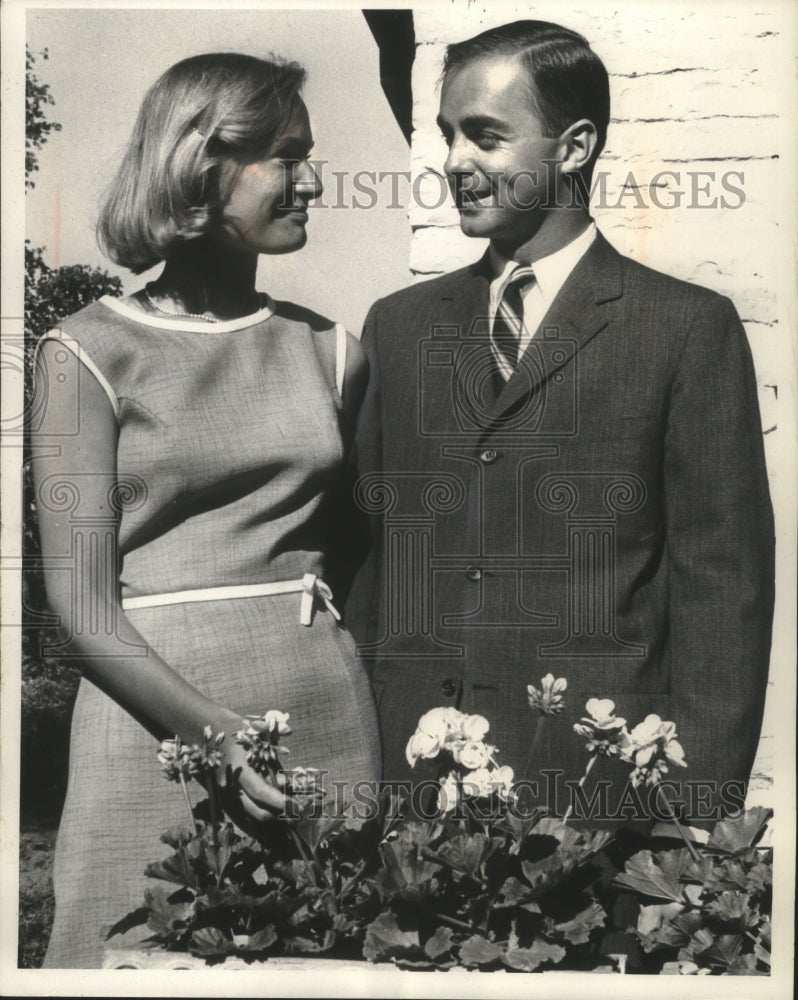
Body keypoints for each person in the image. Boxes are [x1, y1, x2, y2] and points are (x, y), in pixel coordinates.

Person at [347, 20, 774, 825]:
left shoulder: (682, 327)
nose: (454, 162)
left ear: (573, 148)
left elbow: (725, 591)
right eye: (447, 135)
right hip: (411, 796)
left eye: (485, 136)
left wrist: (693, 824)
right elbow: (369, 567)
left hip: (601, 802)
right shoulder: (398, 328)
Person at [31, 52, 380, 968]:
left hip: (320, 717)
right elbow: (80, 608)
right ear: (201, 166)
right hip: (151, 723)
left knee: (325, 957)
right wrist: (212, 734)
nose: (312, 180)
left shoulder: (334, 353)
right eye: (285, 156)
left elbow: (350, 557)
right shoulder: (84, 353)